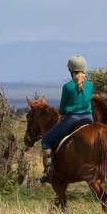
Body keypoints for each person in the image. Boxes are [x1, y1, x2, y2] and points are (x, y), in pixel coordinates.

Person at [39, 55, 95, 183]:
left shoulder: (68, 86)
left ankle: (49, 172)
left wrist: (65, 111)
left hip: (72, 119)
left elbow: (62, 108)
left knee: (46, 140)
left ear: (71, 70)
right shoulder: (90, 85)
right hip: (89, 118)